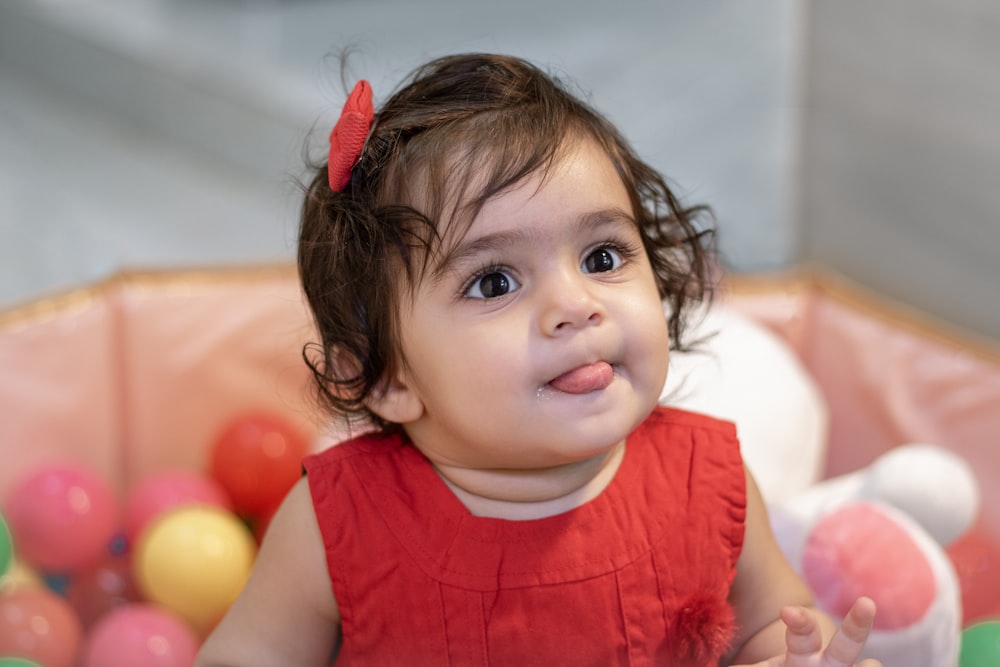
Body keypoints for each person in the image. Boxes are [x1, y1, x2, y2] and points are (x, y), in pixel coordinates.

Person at [196, 53, 880, 666]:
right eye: (495, 281)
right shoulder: (333, 524)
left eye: (602, 256)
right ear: (386, 376)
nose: (575, 303)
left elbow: (774, 626)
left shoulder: (713, 482)